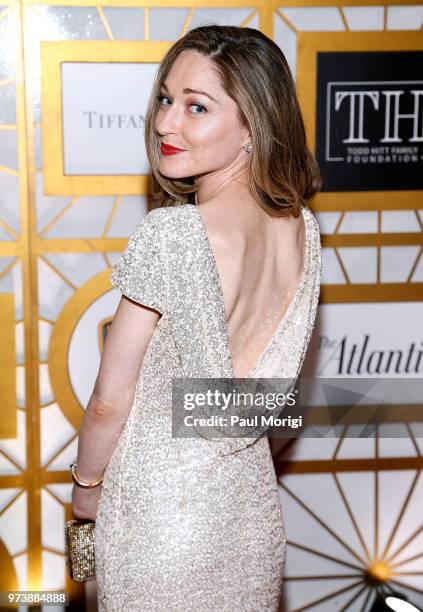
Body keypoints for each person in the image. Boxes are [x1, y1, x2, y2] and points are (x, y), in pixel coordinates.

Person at [71, 25, 322, 611]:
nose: (165, 123)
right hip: (250, 518)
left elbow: (111, 397)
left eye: (197, 107)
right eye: (165, 98)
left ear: (252, 126)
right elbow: (273, 401)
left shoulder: (173, 233)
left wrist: (86, 491)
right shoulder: (304, 232)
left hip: (160, 527)